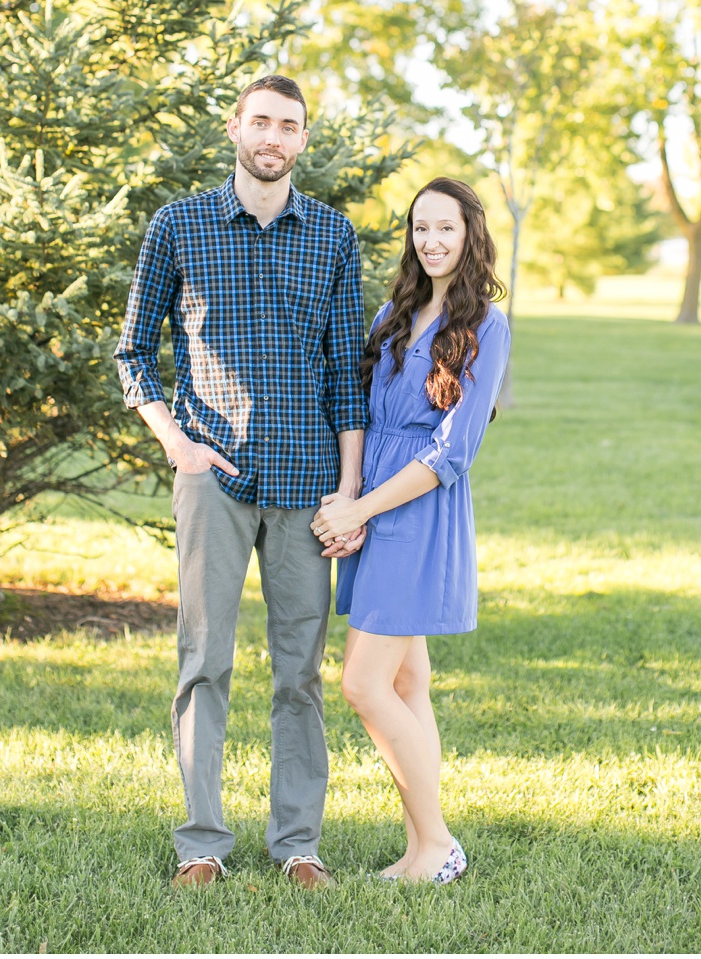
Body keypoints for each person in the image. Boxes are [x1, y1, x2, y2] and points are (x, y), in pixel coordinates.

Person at [113, 74, 370, 891]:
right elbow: (131, 351)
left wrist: (351, 491)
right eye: (261, 120)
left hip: (308, 486)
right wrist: (176, 443)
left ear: (302, 140)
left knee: (299, 672)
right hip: (213, 479)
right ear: (234, 128)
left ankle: (299, 844)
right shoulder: (180, 224)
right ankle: (201, 845)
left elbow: (346, 377)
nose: (273, 136)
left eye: (288, 126)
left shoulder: (332, 235)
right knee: (204, 660)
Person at [310, 176, 509, 886]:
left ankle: (438, 843)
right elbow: (360, 414)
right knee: (407, 680)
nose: (430, 240)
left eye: (445, 228)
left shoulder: (485, 324)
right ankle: (423, 848)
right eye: (420, 227)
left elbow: (452, 452)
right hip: (373, 507)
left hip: (419, 514)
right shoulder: (392, 315)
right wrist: (348, 497)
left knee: (364, 684)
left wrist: (363, 510)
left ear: (469, 234)